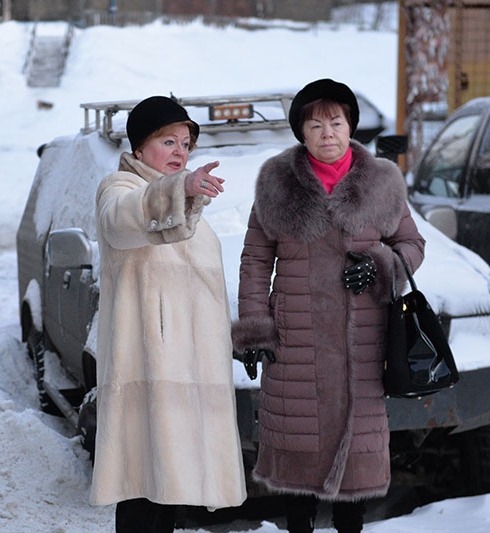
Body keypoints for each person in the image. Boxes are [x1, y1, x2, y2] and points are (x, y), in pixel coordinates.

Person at [231, 78, 426, 533]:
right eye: (315, 125)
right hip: (295, 344)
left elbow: (412, 245)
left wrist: (380, 265)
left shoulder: (381, 183)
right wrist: (255, 330)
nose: (327, 133)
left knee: (354, 478)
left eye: (335, 122)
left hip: (363, 347)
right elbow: (255, 260)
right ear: (301, 132)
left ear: (350, 126)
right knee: (296, 465)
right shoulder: (277, 184)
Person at [91, 95, 248, 532]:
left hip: (190, 377)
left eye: (186, 143)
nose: (180, 151)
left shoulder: (186, 207)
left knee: (167, 500)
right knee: (143, 498)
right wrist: (181, 188)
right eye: (168, 141)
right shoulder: (120, 189)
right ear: (139, 148)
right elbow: (120, 221)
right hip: (148, 374)